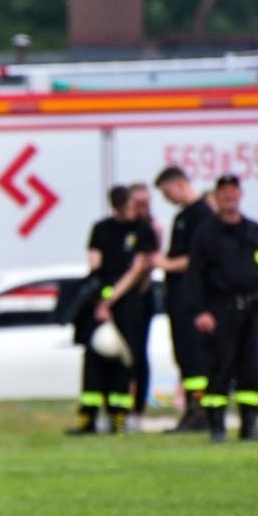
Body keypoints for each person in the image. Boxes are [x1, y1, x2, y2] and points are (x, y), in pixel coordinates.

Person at [189, 174, 258, 442]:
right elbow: (195, 276)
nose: (229, 196)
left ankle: (250, 425)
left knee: (250, 369)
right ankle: (217, 426)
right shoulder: (206, 234)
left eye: (233, 191)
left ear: (241, 195)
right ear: (216, 197)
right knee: (219, 369)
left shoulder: (254, 232)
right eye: (224, 192)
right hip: (219, 311)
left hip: (250, 310)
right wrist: (200, 311)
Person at [66, 186, 155, 436]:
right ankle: (89, 417)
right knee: (94, 358)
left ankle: (119, 417)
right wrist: (101, 300)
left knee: (124, 359)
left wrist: (111, 300)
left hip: (129, 301)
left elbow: (137, 270)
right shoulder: (101, 229)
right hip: (101, 299)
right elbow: (95, 265)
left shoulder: (143, 231)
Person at [154, 166, 215, 432]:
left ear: (179, 183)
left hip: (192, 298)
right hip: (178, 298)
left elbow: (195, 259)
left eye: (167, 192)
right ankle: (191, 411)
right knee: (184, 358)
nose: (167, 198)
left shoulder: (202, 215)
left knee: (195, 357)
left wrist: (164, 264)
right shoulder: (182, 216)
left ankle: (200, 412)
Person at [125, 182, 160, 431]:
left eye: (145, 204)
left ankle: (138, 410)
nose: (142, 208)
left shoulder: (151, 228)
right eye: (138, 204)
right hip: (122, 299)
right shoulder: (119, 228)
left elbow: (147, 266)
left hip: (142, 298)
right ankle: (118, 408)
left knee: (139, 356)